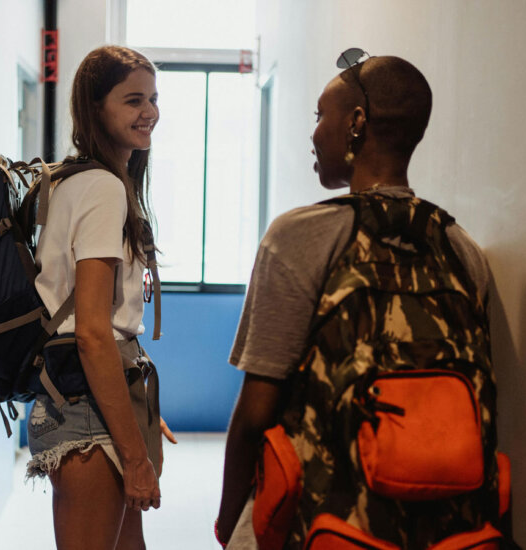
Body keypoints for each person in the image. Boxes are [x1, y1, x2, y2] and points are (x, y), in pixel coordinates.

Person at [216, 52, 498, 548]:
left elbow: (256, 413)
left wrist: (228, 520)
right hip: (444, 525)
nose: (312, 133)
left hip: (327, 521)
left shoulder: (297, 237)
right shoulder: (463, 250)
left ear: (356, 123)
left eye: (321, 115)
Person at [25, 45, 177, 550]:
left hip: (94, 399)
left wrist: (135, 405)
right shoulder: (102, 188)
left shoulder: (88, 182)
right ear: (95, 107)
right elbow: (91, 331)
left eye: (153, 98)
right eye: (133, 100)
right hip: (86, 410)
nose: (149, 112)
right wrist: (135, 456)